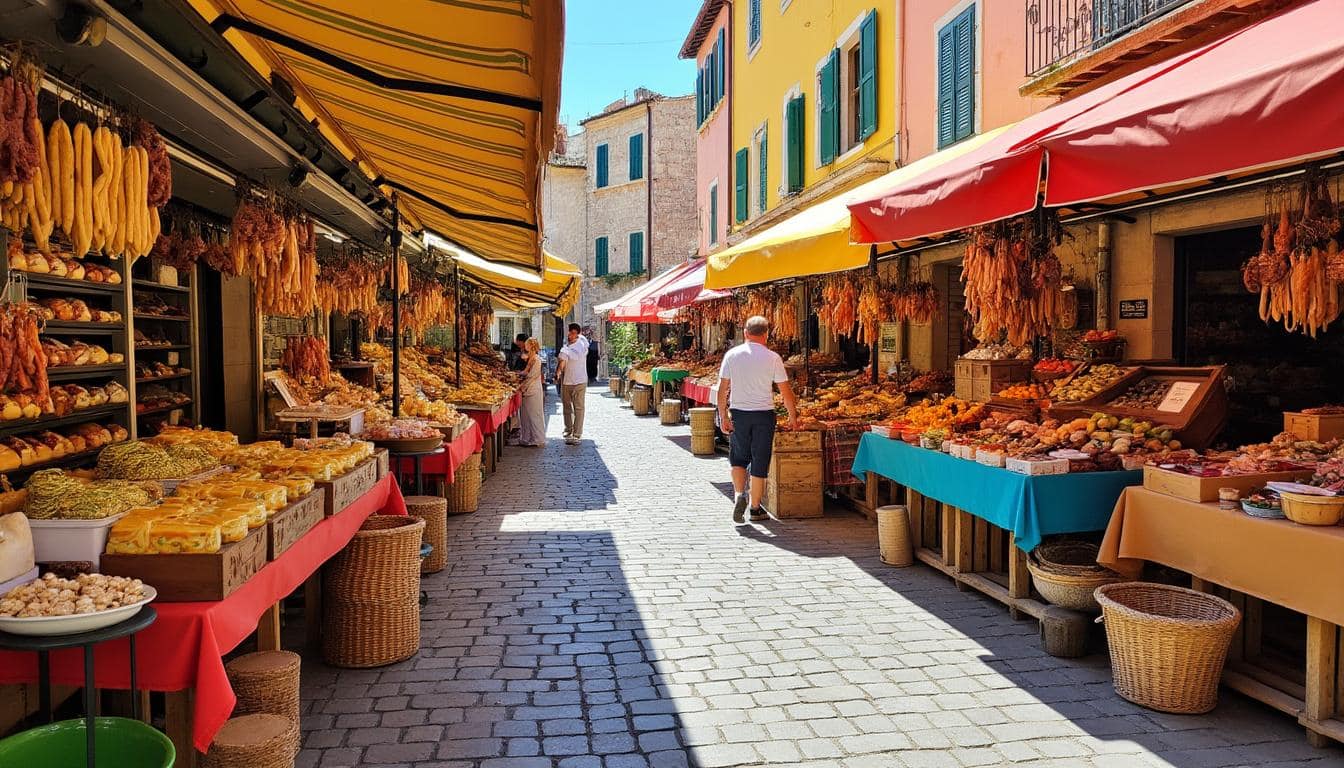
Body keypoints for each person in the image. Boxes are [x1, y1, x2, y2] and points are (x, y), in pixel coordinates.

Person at [718, 315, 799, 524]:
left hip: (739, 413)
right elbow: (785, 391)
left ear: (745, 333)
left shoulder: (732, 355)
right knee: (759, 461)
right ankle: (755, 509)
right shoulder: (773, 357)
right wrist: (792, 416)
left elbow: (722, 389)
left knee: (738, 458)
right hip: (764, 414)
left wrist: (722, 415)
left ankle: (739, 495)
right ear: (766, 335)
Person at [555, 323, 589, 445]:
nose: (571, 334)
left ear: (578, 334)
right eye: (570, 332)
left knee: (578, 408)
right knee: (567, 407)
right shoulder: (567, 347)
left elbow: (572, 357)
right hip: (568, 381)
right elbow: (562, 364)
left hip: (580, 380)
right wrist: (558, 374)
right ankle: (568, 430)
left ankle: (577, 434)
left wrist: (565, 352)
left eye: (574, 333)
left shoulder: (580, 345)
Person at [517, 338, 546, 447]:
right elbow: (526, 372)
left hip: (533, 390)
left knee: (534, 414)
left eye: (527, 344)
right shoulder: (530, 358)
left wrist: (523, 386)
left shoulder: (536, 360)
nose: (525, 346)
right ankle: (526, 437)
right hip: (527, 389)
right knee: (525, 415)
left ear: (531, 346)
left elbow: (531, 376)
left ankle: (538, 438)